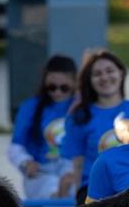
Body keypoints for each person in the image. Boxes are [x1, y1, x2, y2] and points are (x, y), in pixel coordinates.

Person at [61, 50, 129, 204]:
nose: (105, 77)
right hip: (94, 192)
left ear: (121, 73)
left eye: (109, 71)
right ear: (90, 80)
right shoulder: (79, 117)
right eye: (97, 74)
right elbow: (77, 164)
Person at [7, 55, 77, 199]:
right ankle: (59, 196)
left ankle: (63, 194)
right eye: (52, 87)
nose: (57, 92)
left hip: (71, 168)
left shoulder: (82, 107)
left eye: (64, 88)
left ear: (75, 83)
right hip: (42, 171)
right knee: (49, 187)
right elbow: (15, 146)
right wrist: (26, 162)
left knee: (73, 179)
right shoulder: (31, 107)